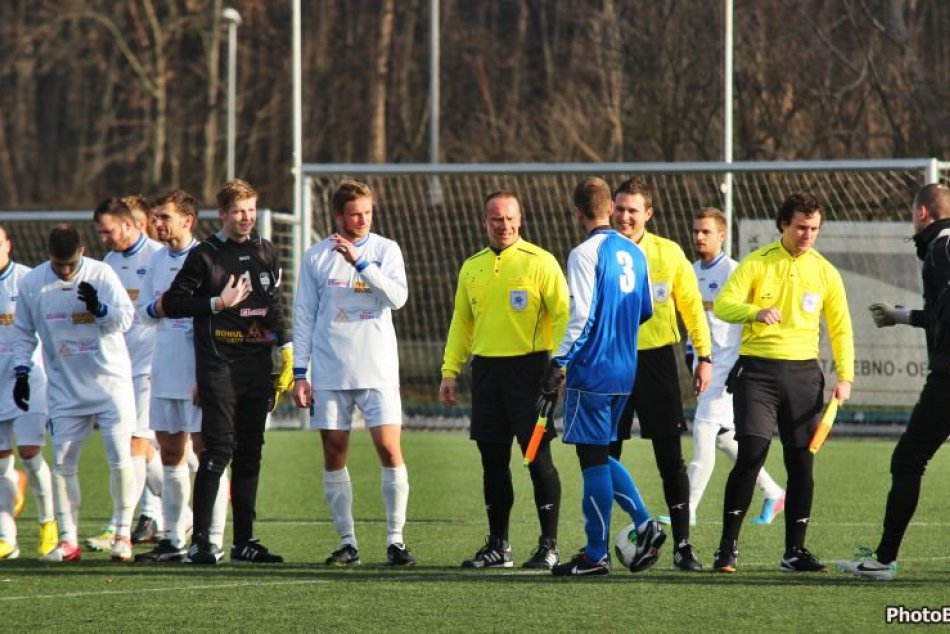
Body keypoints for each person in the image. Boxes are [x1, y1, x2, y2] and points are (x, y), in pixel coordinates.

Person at [712, 192, 854, 574]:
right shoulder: (757, 263)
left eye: (814, 229)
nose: (807, 235)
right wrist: (755, 312)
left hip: (804, 377)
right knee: (751, 455)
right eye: (801, 227)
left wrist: (846, 376)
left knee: (801, 464)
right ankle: (727, 548)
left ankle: (794, 552)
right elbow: (725, 304)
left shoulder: (825, 272)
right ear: (783, 225)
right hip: (757, 374)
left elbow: (840, 328)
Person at [161, 179, 292, 565]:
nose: (246, 218)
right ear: (222, 214)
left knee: (251, 452)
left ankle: (245, 542)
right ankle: (201, 541)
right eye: (238, 211)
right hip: (219, 366)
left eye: (251, 210)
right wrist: (218, 302)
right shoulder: (205, 255)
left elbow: (273, 305)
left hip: (257, 365)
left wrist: (286, 348)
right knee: (218, 450)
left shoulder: (266, 251)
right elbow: (172, 302)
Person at [440, 190, 568, 570]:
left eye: (510, 217)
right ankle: (499, 546)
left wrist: (559, 365)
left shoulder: (540, 262)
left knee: (536, 458)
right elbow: (461, 323)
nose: (504, 225)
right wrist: (450, 370)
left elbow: (564, 315)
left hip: (530, 374)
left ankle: (549, 546)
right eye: (497, 218)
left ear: (521, 219)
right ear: (486, 222)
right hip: (486, 375)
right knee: (492, 461)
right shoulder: (472, 267)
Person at [292, 179, 415, 566]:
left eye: (367, 213)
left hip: (377, 368)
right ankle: (348, 541)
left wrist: (361, 263)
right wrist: (300, 372)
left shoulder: (385, 250)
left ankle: (396, 540)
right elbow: (304, 315)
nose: (361, 220)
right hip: (330, 370)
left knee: (389, 449)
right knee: (334, 452)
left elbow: (397, 298)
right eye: (354, 213)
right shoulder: (316, 257)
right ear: (338, 215)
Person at [545, 177, 663, 576]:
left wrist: (558, 362)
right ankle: (642, 526)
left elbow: (581, 318)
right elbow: (646, 309)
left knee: (591, 459)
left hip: (592, 369)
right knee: (599, 453)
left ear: (577, 213)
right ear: (611, 207)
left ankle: (598, 554)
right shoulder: (635, 251)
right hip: (625, 368)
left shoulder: (584, 253)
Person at [838, 184, 950, 581]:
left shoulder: (941, 247)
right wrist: (901, 316)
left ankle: (883, 560)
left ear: (922, 213)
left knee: (907, 460)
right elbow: (941, 312)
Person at [13, 222, 139, 562]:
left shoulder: (102, 275)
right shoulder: (34, 283)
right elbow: (23, 333)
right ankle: (68, 541)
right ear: (48, 256)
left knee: (119, 458)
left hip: (110, 384)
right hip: (65, 388)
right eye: (59, 264)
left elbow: (126, 319)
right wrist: (22, 372)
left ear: (82, 252)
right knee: (64, 465)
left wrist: (100, 310)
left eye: (71, 264)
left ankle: (122, 534)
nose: (66, 271)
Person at [609, 177, 711, 572]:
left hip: (657, 364)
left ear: (647, 214)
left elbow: (691, 310)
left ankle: (683, 545)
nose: (625, 216)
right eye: (619, 209)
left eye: (633, 210)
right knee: (604, 454)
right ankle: (598, 545)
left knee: (670, 458)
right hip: (611, 363)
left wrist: (704, 356)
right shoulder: (599, 253)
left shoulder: (669, 255)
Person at [135, 190, 229, 563]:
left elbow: (221, 319)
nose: (156, 224)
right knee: (171, 453)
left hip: (199, 373)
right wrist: (157, 307)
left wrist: (208, 374)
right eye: (155, 217)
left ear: (187, 220)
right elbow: (143, 312)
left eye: (164, 218)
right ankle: (174, 538)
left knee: (208, 455)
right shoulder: (155, 261)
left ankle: (211, 539)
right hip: (164, 369)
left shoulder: (208, 259)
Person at [684, 208, 785, 526]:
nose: (700, 237)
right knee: (725, 436)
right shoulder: (691, 271)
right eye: (697, 231)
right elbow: (693, 320)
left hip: (727, 367)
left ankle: (686, 509)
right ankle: (773, 492)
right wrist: (694, 356)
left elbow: (750, 317)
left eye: (707, 232)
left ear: (722, 235)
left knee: (702, 429)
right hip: (704, 363)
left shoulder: (734, 271)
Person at [86, 197, 164, 552]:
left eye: (108, 231)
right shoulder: (110, 262)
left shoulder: (159, 257)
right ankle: (180, 509)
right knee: (147, 448)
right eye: (100, 233)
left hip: (152, 364)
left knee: (136, 443)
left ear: (130, 225)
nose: (104, 238)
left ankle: (121, 529)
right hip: (119, 367)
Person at [0, 225, 59, 561]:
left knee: (30, 454)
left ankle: (49, 525)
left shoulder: (28, 280)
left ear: (8, 244)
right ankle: (7, 538)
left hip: (28, 380)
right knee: (1, 465)